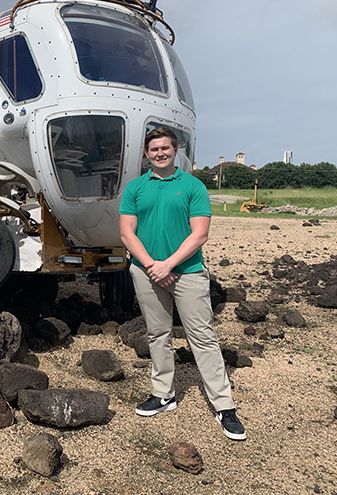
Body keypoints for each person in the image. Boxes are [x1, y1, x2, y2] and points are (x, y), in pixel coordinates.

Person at [119, 127, 246, 441]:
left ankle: (223, 405)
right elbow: (126, 233)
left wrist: (168, 265)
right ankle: (164, 394)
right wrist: (152, 266)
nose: (160, 153)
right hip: (146, 272)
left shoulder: (193, 186)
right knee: (157, 332)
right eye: (154, 149)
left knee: (201, 335)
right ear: (146, 154)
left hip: (187, 273)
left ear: (175, 151)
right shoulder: (135, 188)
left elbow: (199, 234)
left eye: (165, 148)